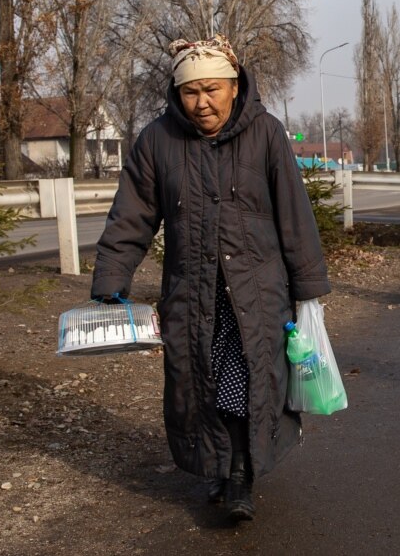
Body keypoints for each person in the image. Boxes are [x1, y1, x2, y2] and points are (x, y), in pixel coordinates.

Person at [90, 34, 330, 525]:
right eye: (190, 92)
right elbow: (131, 215)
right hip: (192, 292)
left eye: (212, 90)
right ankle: (219, 467)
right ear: (176, 94)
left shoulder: (265, 132)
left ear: (234, 86)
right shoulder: (158, 140)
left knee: (247, 381)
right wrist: (111, 279)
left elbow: (294, 214)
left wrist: (309, 292)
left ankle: (241, 474)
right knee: (200, 382)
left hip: (257, 293)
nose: (201, 103)